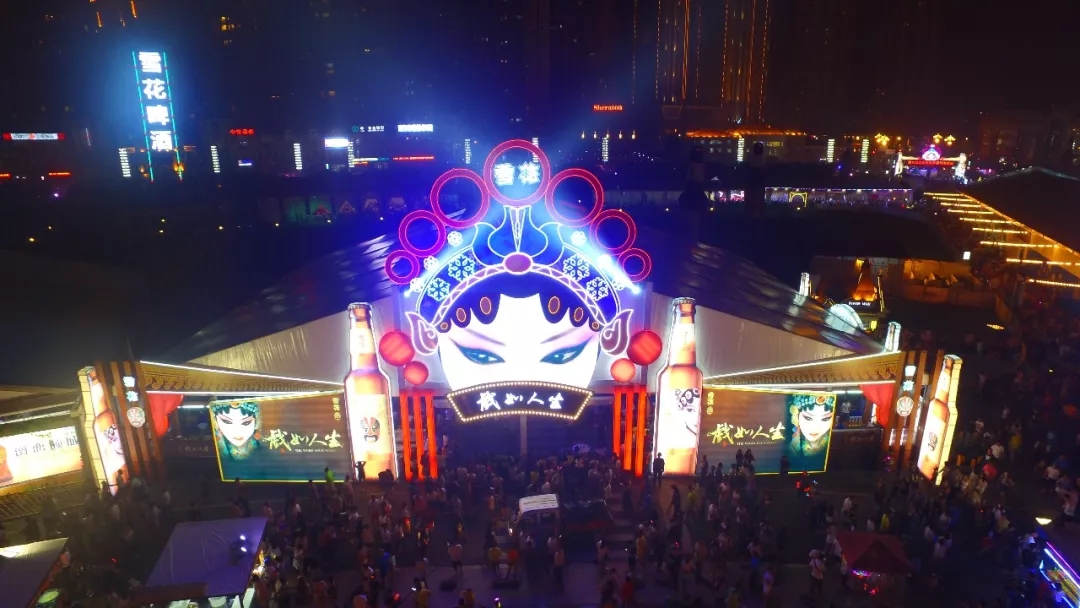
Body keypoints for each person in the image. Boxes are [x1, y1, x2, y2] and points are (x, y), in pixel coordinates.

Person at [786, 394, 835, 471]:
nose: (815, 427)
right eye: (808, 418)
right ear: (796, 416)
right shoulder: (789, 446)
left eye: (825, 419)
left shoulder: (833, 443)